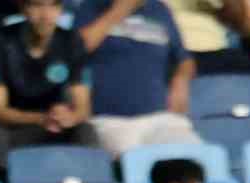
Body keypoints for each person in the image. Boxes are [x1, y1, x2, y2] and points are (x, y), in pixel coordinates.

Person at [0, 0, 99, 168]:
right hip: (14, 126)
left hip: (53, 125)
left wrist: (69, 117)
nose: (45, 15)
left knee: (85, 130)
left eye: (53, 6)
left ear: (61, 9)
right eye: (37, 5)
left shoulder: (72, 41)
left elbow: (83, 108)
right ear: (23, 8)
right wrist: (41, 118)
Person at [73, 0, 200, 157]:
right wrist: (120, 10)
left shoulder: (159, 9)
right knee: (136, 164)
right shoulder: (92, 6)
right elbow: (76, 49)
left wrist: (180, 80)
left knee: (194, 159)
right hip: (111, 120)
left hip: (160, 118)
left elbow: (185, 60)